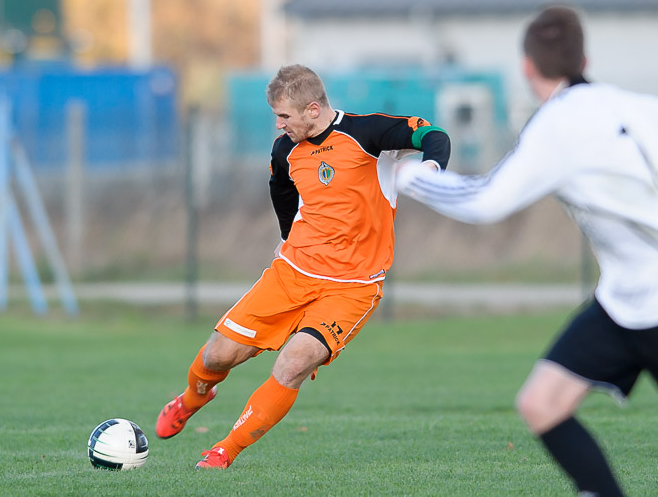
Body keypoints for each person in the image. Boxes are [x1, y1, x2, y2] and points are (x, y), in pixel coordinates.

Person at [396, 6, 658, 496]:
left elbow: (486, 202)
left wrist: (410, 177)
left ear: (527, 67)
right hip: (622, 304)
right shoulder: (619, 102)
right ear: (585, 57)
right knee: (542, 404)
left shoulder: (557, 127)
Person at [156, 64, 450, 469]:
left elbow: (432, 135)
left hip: (353, 285)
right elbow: (281, 190)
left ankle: (225, 451)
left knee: (294, 361)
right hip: (292, 273)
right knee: (217, 356)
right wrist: (286, 235)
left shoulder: (369, 133)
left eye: (284, 116)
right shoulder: (285, 149)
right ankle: (191, 399)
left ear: (313, 109)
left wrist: (432, 170)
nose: (279, 125)